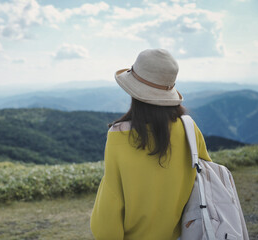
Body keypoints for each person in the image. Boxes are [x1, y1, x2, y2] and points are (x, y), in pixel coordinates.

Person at [90, 49, 211, 240]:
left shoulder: (119, 136)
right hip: (184, 234)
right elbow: (203, 178)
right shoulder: (189, 127)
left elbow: (110, 203)